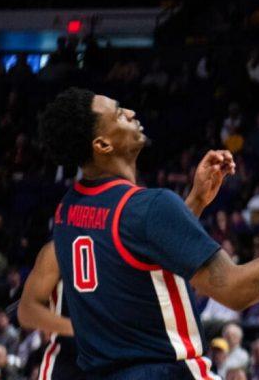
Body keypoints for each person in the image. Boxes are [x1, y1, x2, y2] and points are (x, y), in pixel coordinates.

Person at [36, 88, 259, 379]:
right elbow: (237, 291)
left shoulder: (69, 210)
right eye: (119, 114)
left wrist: (192, 204)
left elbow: (135, 260)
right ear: (103, 144)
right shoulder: (150, 207)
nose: (132, 113)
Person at [18, 150, 237, 380]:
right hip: (72, 366)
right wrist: (77, 328)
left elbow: (161, 244)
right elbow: (27, 311)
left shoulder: (121, 236)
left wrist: (196, 200)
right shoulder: (57, 249)